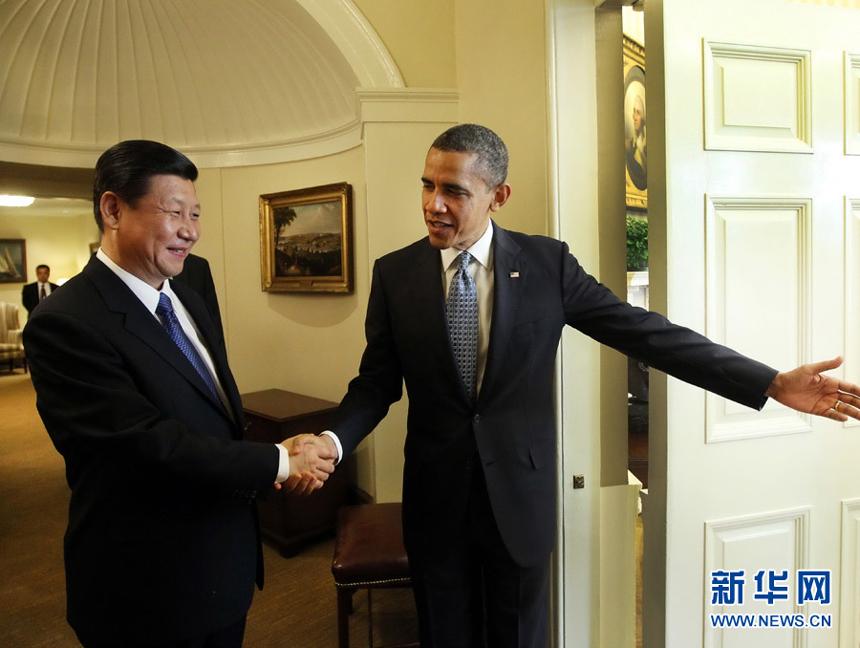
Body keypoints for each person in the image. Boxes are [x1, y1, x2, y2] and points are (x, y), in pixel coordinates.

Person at [313, 124, 860, 647]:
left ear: (498, 195)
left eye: (453, 190)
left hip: (519, 503)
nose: (434, 203)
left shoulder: (547, 264)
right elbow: (376, 382)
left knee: (519, 637)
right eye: (428, 185)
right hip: (435, 502)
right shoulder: (396, 273)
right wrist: (332, 442)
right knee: (445, 634)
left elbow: (647, 334)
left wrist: (767, 382)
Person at [23, 140, 334, 648]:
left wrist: (278, 460)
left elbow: (211, 405)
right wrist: (277, 462)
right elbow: (143, 445)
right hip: (145, 589)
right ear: (113, 209)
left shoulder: (192, 287)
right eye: (174, 212)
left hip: (222, 570)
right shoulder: (64, 322)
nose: (190, 230)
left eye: (196, 213)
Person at [626, 93, 647, 191]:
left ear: (643, 118)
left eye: (638, 113)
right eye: (634, 112)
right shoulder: (628, 147)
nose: (634, 117)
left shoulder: (650, 148)